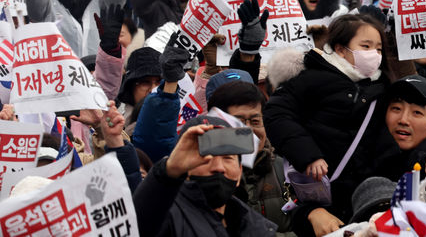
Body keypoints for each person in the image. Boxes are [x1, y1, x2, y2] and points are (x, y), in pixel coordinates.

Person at [263, 14, 388, 237]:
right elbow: (277, 113)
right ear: (340, 49)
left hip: (361, 199)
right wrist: (308, 155)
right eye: (366, 46)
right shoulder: (312, 78)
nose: (374, 55)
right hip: (316, 195)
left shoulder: (379, 88)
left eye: (378, 49)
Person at [133, 116, 277, 236]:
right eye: (206, 158)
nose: (219, 167)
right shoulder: (166, 215)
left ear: (239, 172)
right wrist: (168, 171)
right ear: (183, 165)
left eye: (227, 158)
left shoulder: (255, 226)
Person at [207, 81, 294, 235]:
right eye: (238, 122)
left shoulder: (286, 169)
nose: (248, 130)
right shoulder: (203, 176)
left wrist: (313, 212)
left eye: (255, 121)